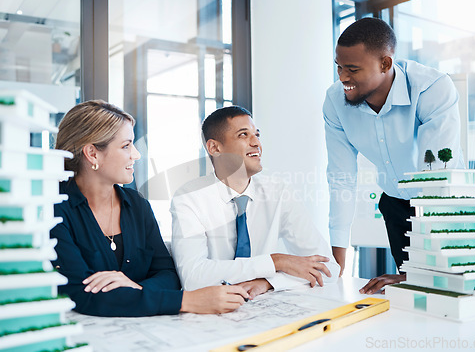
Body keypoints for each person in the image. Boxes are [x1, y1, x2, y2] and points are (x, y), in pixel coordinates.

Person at [51, 100, 249, 317]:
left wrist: (135, 289)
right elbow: (84, 296)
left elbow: (168, 274)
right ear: (92, 154)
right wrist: (188, 300)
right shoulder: (54, 209)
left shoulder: (137, 204)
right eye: (126, 146)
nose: (136, 154)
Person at [323, 18, 464, 293]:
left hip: (444, 204)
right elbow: (341, 178)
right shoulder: (335, 101)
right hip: (395, 204)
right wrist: (336, 261)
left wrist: (419, 273)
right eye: (339, 67)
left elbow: (435, 176)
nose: (342, 77)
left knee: (449, 292)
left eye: (352, 69)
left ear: (385, 64)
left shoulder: (431, 88)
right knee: (414, 299)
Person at [171, 106, 340, 299]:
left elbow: (328, 269)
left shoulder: (278, 192)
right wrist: (275, 262)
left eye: (257, 134)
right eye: (244, 135)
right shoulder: (189, 197)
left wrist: (268, 282)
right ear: (214, 148)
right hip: (210, 311)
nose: (256, 143)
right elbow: (193, 277)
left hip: (264, 309)